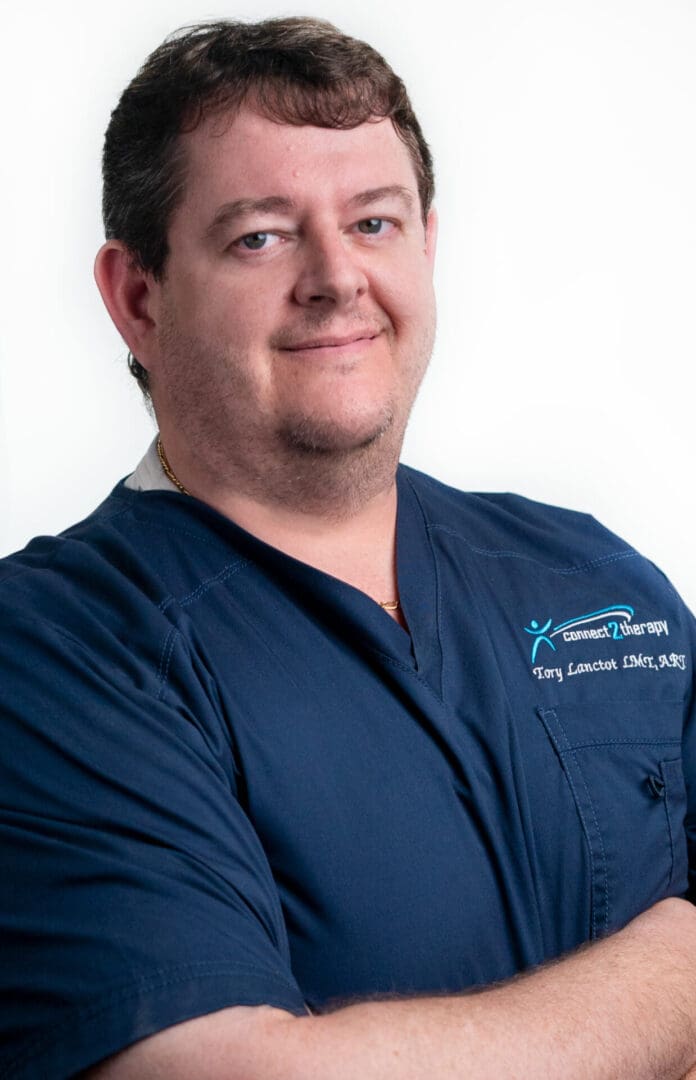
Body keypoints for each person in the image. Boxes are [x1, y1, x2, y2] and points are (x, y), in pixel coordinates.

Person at [1, 16, 696, 1080]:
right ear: (138, 298)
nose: (335, 277)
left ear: (428, 244)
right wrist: (674, 980)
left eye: (373, 222)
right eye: (261, 236)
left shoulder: (593, 578)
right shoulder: (57, 653)